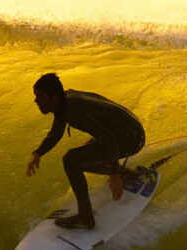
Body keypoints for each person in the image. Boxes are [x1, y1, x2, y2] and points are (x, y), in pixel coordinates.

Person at [26, 73, 145, 230]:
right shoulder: (65, 101)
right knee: (81, 157)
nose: (36, 100)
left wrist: (114, 175)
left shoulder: (74, 110)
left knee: (71, 160)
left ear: (54, 96)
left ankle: (85, 217)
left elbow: (109, 140)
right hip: (128, 131)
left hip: (130, 138)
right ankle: (129, 175)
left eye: (40, 96)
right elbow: (56, 132)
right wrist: (37, 153)